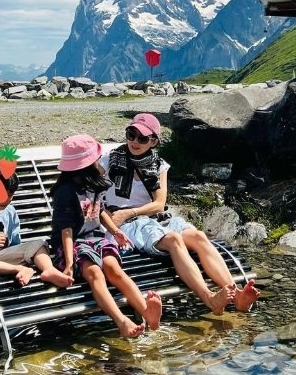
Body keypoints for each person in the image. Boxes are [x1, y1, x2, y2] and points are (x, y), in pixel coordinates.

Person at [100, 113, 260, 315]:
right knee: (174, 239)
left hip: (151, 218)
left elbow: (159, 204)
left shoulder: (159, 166)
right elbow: (90, 193)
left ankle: (236, 296)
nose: (134, 142)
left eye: (142, 138)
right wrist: (117, 217)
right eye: (131, 134)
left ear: (154, 141)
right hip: (126, 225)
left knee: (199, 236)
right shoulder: (108, 160)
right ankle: (209, 298)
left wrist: (130, 211)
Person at [50, 133, 162, 338]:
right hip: (72, 244)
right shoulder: (65, 192)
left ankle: (147, 312)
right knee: (95, 274)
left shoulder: (93, 184)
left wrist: (116, 232)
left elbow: (100, 212)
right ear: (85, 165)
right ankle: (122, 322)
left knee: (114, 269)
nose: (98, 163)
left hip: (95, 239)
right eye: (94, 160)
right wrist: (68, 264)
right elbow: (66, 232)